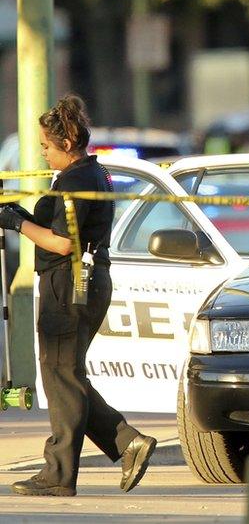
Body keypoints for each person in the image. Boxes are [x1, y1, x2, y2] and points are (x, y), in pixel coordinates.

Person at [1, 95, 156, 496]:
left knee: (59, 373)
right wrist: (21, 212)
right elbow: (60, 229)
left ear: (66, 145)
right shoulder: (92, 174)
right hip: (84, 281)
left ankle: (59, 473)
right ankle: (126, 443)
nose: (42, 154)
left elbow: (63, 243)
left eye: (46, 147)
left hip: (69, 283)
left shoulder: (74, 180)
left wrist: (17, 223)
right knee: (65, 373)